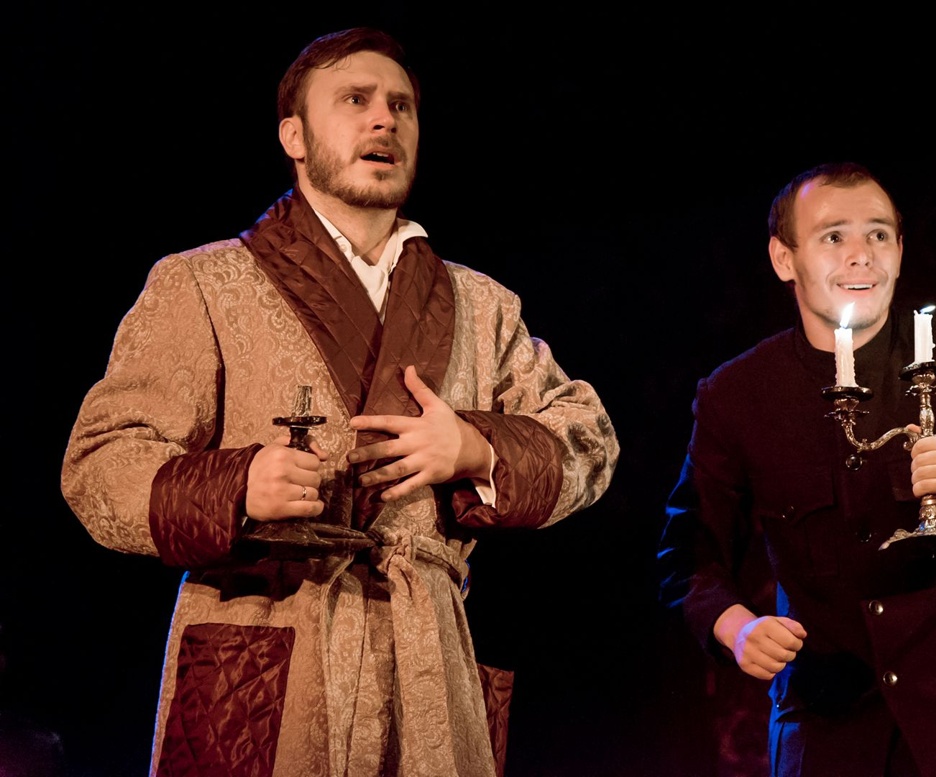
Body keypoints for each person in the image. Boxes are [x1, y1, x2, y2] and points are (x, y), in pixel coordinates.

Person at [61, 27, 618, 777]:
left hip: (425, 657)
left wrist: (476, 448)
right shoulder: (202, 284)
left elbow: (589, 439)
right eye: (355, 100)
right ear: (294, 136)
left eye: (401, 105)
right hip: (264, 648)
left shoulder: (481, 303)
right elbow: (100, 465)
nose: (384, 118)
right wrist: (236, 483)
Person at [657, 162, 936, 776]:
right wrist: (735, 627)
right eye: (834, 236)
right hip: (829, 730)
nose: (862, 255)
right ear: (784, 259)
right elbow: (689, 556)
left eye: (879, 235)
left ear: (900, 251)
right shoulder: (738, 396)